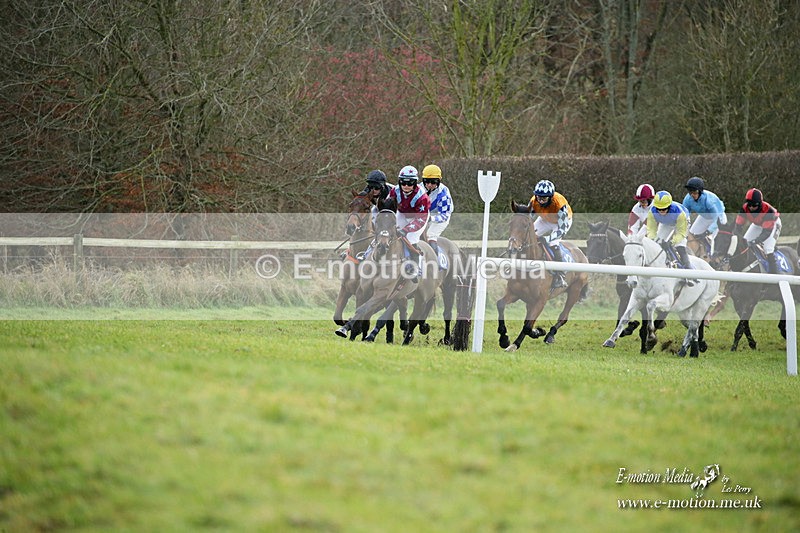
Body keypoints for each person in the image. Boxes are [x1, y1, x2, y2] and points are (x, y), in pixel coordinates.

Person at [387, 165, 431, 281]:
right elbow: (388, 208)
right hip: (402, 213)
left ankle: (415, 268)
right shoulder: (394, 191)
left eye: (410, 183)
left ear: (415, 183)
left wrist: (405, 229)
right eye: (403, 183)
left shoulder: (422, 197)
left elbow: (420, 219)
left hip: (419, 218)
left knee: (410, 239)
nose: (406, 186)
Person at [528, 179, 572, 289]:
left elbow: (562, 230)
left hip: (560, 223)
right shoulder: (534, 201)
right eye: (539, 197)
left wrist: (548, 238)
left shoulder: (560, 205)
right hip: (544, 219)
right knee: (528, 236)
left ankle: (560, 275)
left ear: (551, 197)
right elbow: (527, 219)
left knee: (553, 243)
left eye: (544, 198)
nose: (541, 201)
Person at [647, 190, 696, 284]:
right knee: (657, 243)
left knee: (680, 245)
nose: (661, 211)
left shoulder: (679, 213)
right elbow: (651, 230)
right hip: (666, 223)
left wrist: (671, 242)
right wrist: (653, 240)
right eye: (659, 209)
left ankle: (689, 272)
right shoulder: (652, 212)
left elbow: (681, 233)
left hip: (682, 222)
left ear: (669, 206)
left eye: (664, 208)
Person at [733, 188, 781, 274]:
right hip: (757, 224)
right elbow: (738, 226)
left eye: (754, 205)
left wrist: (756, 241)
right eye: (749, 205)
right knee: (745, 242)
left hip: (773, 224)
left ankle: (775, 275)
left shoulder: (768, 211)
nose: (751, 207)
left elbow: (766, 232)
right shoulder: (744, 208)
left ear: (760, 204)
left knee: (768, 249)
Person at [681, 176, 727, 255]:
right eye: (690, 192)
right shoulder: (688, 199)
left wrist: (708, 231)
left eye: (694, 192)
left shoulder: (709, 201)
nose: (692, 194)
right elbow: (684, 214)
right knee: (692, 236)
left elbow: (715, 218)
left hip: (719, 218)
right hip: (704, 217)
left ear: (700, 191)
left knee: (711, 239)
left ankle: (712, 259)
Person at [421, 164, 453, 257]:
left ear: (439, 181)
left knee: (430, 235)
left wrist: (430, 218)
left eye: (433, 182)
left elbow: (444, 215)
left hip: (440, 217)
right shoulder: (418, 189)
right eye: (426, 182)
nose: (429, 185)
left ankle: (435, 261)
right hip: (424, 216)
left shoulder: (443, 195)